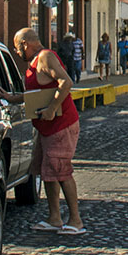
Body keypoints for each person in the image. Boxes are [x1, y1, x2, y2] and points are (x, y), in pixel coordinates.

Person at [13, 27, 84, 234]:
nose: (17, 53)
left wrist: (52, 109)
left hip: (61, 125)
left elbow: (66, 82)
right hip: (46, 128)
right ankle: (54, 217)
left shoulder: (45, 57)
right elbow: (36, 93)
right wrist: (12, 98)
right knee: (48, 172)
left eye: (18, 48)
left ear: (26, 44)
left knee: (61, 171)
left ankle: (75, 220)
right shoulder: (34, 62)